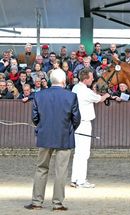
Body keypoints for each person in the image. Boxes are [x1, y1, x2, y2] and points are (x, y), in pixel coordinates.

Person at [24, 69, 81, 211]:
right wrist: (68, 129)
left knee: (41, 168)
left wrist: (43, 127)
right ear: (64, 81)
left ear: (51, 80)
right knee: (61, 171)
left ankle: (37, 202)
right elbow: (76, 119)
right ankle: (57, 203)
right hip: (64, 137)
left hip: (45, 136)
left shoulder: (39, 95)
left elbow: (35, 118)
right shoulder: (71, 96)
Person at [70, 68, 110, 188]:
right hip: (84, 123)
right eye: (91, 77)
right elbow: (100, 99)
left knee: (78, 153)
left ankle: (75, 179)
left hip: (76, 123)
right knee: (84, 153)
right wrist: (108, 94)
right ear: (86, 79)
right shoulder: (85, 91)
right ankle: (81, 180)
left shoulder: (76, 87)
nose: (93, 79)